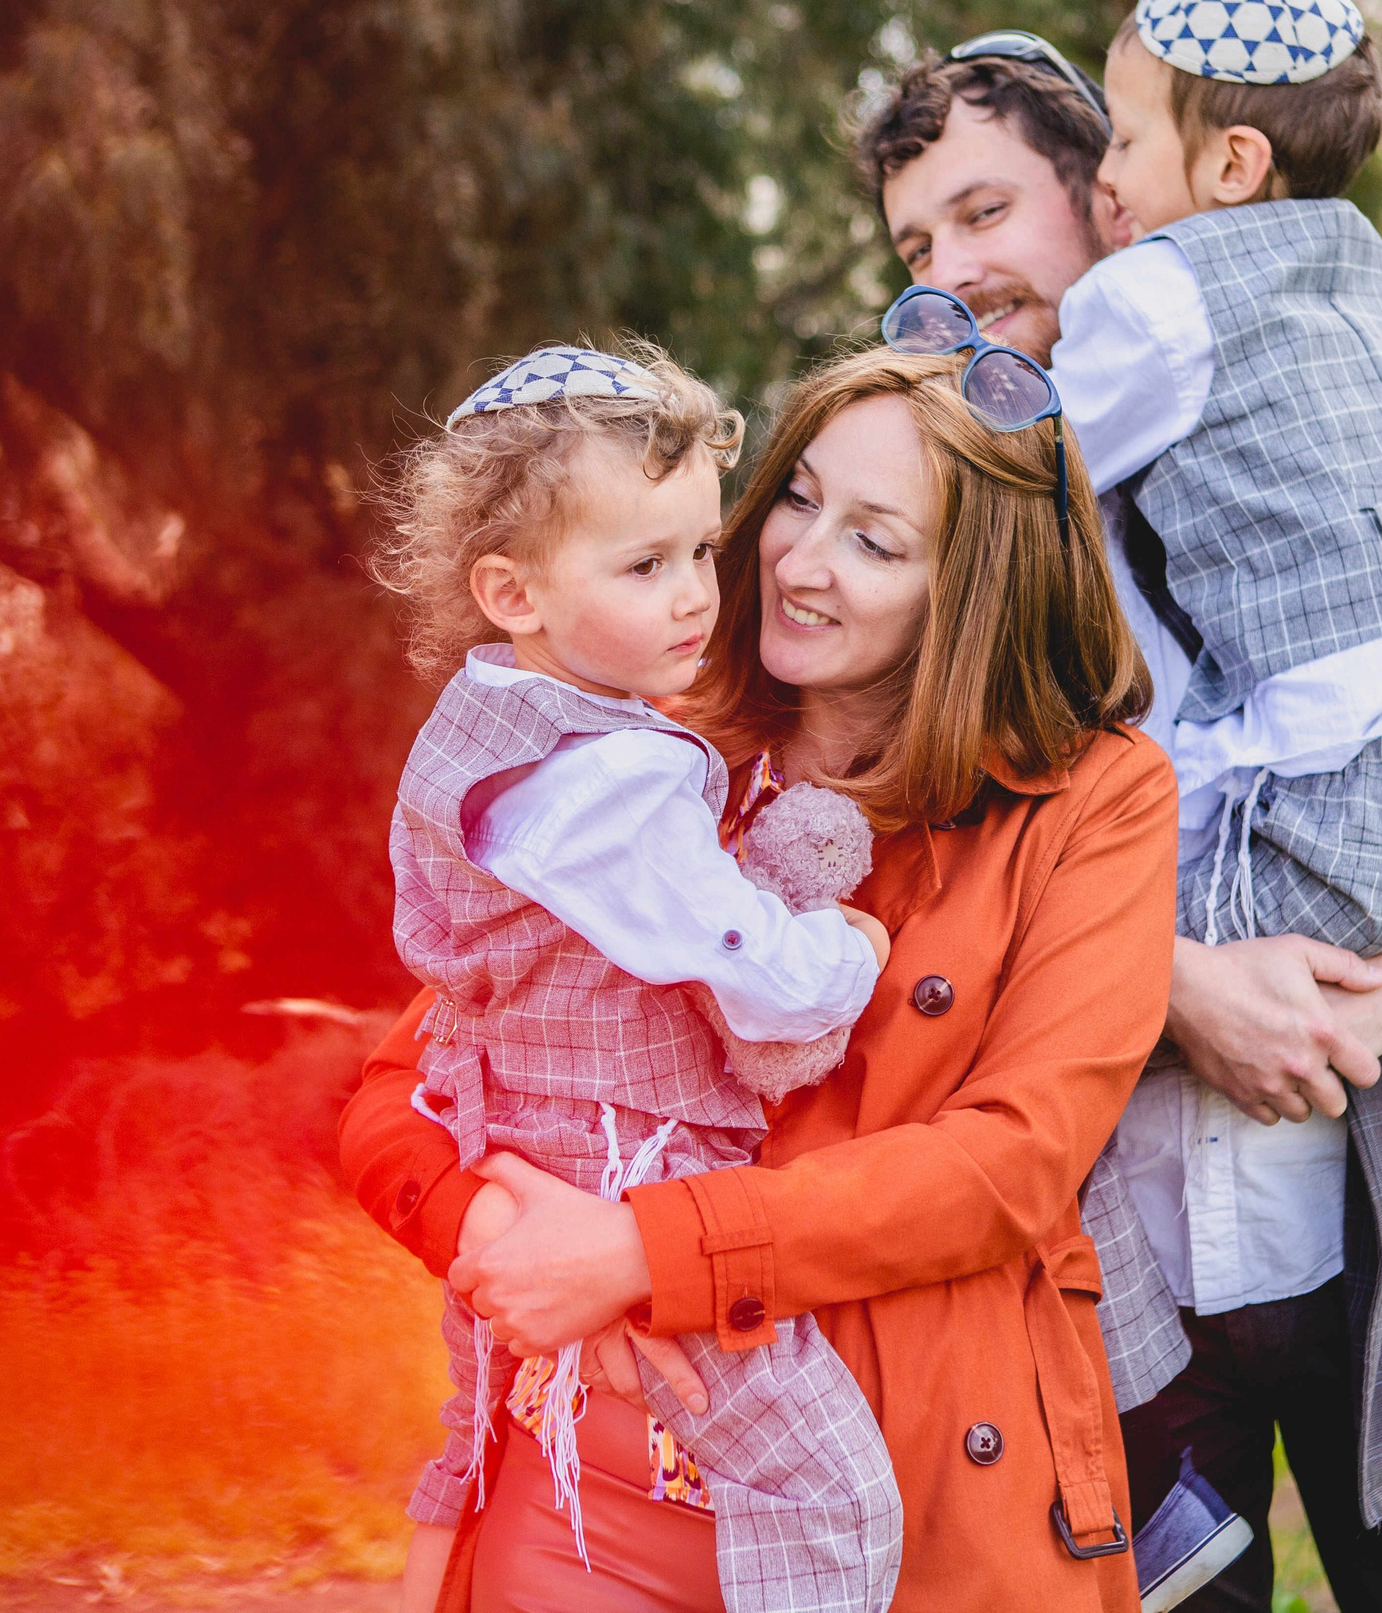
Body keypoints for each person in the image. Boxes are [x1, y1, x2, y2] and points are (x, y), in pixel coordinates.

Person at [858, 15, 1382, 1613]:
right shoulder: (928, 553)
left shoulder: (1331, 462)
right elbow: (891, 897)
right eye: (915, 241)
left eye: (987, 213)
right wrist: (1169, 989)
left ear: (1117, 200)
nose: (955, 266)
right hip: (1111, 1307)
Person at [342, 342, 1182, 1613]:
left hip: (902, 1491)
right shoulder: (634, 744)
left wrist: (644, 1249)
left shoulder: (1089, 800)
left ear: (972, 589)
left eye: (873, 540)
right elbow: (408, 1077)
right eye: (796, 497)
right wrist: (505, 1237)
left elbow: (1014, 1158)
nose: (793, 559)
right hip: (594, 1486)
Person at [371, 342, 903, 1613]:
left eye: (702, 552)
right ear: (510, 591)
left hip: (539, 1144)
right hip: (637, 1173)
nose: (695, 600)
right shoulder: (605, 781)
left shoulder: (502, 722)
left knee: (558, 1449)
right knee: (830, 1494)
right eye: (643, 565)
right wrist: (850, 955)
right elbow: (736, 957)